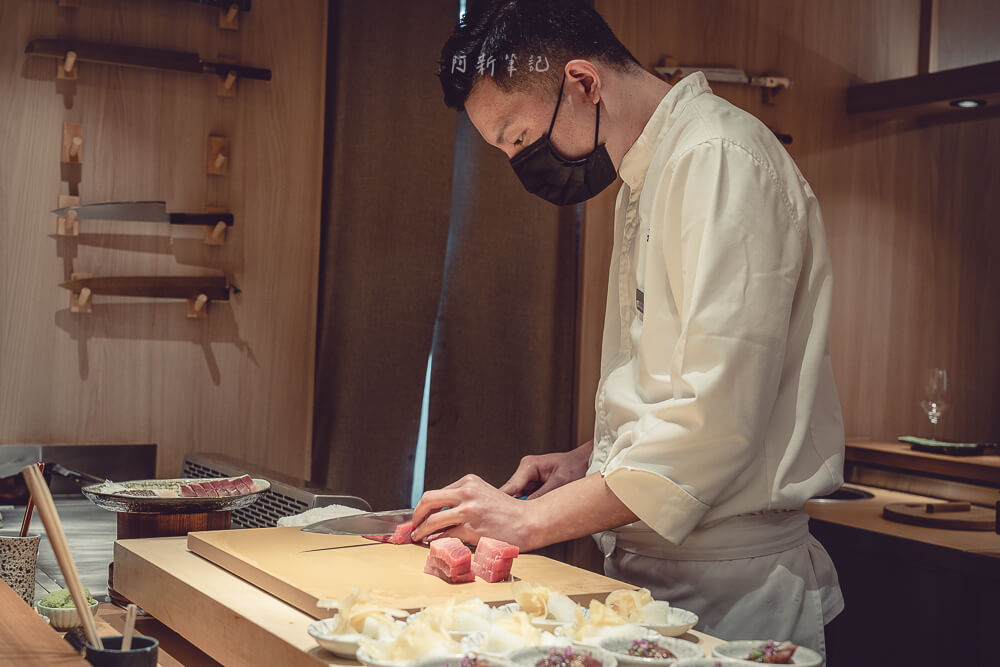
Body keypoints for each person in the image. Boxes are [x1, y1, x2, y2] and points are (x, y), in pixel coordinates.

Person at [409, 0, 845, 654]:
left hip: (732, 589)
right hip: (656, 575)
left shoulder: (719, 159)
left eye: (518, 138)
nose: (519, 164)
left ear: (583, 83)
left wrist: (527, 520)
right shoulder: (648, 175)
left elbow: (715, 424)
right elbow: (673, 382)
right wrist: (593, 456)